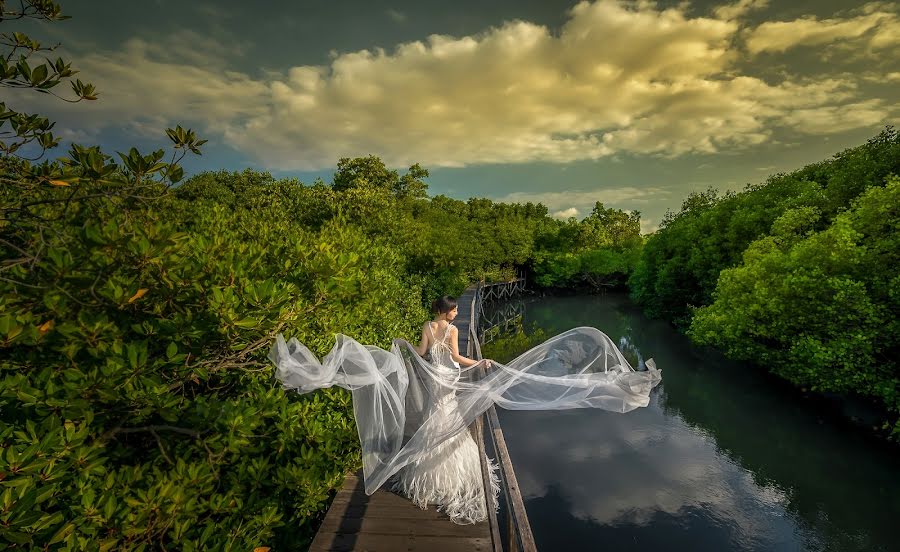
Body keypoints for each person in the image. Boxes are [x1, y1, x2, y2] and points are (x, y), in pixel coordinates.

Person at [268, 293, 662, 525]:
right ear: (449, 313)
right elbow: (457, 358)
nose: (457, 315)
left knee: (436, 420)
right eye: (455, 311)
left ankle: (428, 480)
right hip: (449, 376)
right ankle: (449, 480)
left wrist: (406, 347)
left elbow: (423, 355)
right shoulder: (453, 331)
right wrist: (483, 363)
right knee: (450, 423)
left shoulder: (426, 325)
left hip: (434, 374)